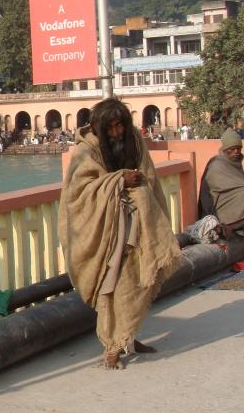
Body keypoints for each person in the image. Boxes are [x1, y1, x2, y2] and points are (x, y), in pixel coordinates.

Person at [58, 99, 182, 370]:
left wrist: (138, 190)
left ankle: (129, 337)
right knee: (113, 285)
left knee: (139, 282)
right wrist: (118, 180)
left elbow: (148, 175)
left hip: (138, 226)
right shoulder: (86, 150)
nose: (117, 133)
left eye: (120, 126)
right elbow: (78, 193)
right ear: (99, 128)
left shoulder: (133, 140)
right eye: (111, 128)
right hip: (107, 231)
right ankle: (112, 347)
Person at [198, 129, 244, 259]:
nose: (236, 152)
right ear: (225, 149)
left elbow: (238, 184)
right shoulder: (216, 165)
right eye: (232, 149)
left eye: (238, 148)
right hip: (217, 208)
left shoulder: (234, 162)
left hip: (232, 199)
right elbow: (226, 186)